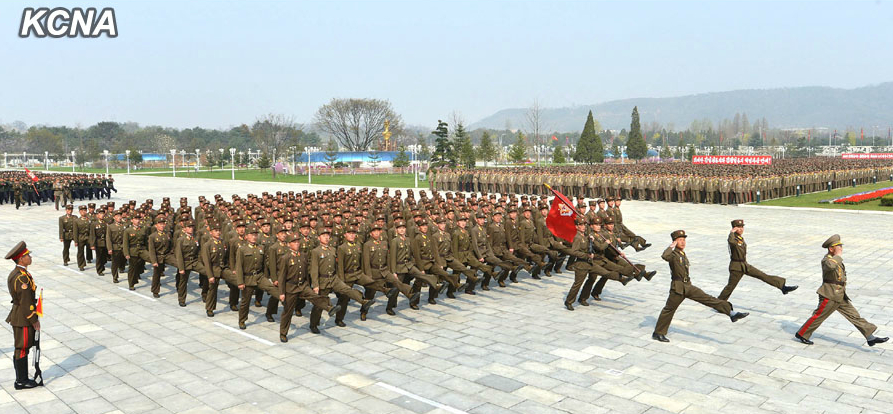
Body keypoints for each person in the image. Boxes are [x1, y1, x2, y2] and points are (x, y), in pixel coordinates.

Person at [652, 230, 749, 342]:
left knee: (708, 299)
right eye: (680, 240)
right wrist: (671, 246)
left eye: (684, 240)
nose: (683, 242)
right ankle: (658, 333)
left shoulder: (682, 254)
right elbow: (664, 256)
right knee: (669, 310)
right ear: (675, 242)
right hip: (677, 288)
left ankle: (731, 313)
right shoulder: (673, 254)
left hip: (688, 285)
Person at [794, 235, 889, 346]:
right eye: (838, 247)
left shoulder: (835, 259)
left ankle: (870, 337)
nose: (841, 249)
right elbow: (830, 267)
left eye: (841, 246)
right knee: (819, 316)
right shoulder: (827, 260)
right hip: (829, 295)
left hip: (839, 294)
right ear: (831, 248)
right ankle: (802, 333)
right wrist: (838, 255)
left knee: (854, 315)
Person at [717, 219, 797, 301]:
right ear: (734, 228)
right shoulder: (733, 238)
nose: (741, 229)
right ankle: (719, 303)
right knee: (730, 287)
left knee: (762, 275)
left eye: (742, 227)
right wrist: (731, 232)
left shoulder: (740, 238)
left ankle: (782, 287)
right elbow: (731, 242)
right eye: (738, 227)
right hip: (736, 267)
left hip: (744, 265)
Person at [5, 241, 41, 390]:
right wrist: (34, 319)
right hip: (23, 318)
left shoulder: (21, 273)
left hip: (20, 315)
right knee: (22, 347)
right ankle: (21, 380)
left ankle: (22, 378)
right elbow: (25, 301)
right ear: (21, 259)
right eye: (27, 255)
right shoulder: (21, 278)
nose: (30, 257)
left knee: (22, 347)